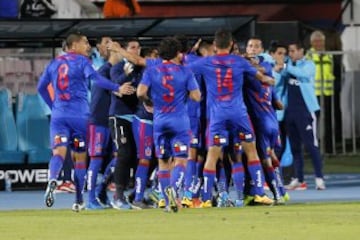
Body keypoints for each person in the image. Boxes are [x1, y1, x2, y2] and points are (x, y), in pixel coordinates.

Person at [37, 32, 123, 211]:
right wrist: (117, 87)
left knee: (58, 153)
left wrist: (53, 106)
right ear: (73, 46)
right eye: (84, 43)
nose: (88, 46)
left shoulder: (54, 63)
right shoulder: (83, 62)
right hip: (80, 118)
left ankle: (53, 178)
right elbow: (97, 79)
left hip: (59, 117)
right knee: (80, 158)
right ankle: (78, 200)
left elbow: (41, 87)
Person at [188, 29, 274, 208]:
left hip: (217, 115)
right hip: (239, 114)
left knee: (212, 156)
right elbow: (260, 77)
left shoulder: (206, 62)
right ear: (231, 45)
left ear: (214, 45)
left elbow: (183, 68)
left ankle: (205, 198)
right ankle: (258, 193)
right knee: (251, 151)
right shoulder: (239, 61)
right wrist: (269, 79)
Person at [137, 37, 201, 212]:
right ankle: (174, 190)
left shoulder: (152, 70)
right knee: (181, 160)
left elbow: (140, 92)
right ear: (177, 53)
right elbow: (196, 96)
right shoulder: (185, 72)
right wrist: (185, 95)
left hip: (159, 121)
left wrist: (149, 102)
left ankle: (166, 201)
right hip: (179, 120)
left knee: (163, 162)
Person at [243, 36, 287, 204]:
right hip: (272, 120)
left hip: (261, 122)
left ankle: (274, 193)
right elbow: (279, 104)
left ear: (261, 50)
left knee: (263, 158)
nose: (253, 49)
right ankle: (281, 190)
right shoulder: (267, 69)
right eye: (250, 46)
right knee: (271, 156)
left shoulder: (253, 69)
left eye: (256, 46)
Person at [282, 42, 326, 190]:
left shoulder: (309, 65)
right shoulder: (288, 66)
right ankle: (299, 179)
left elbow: (304, 74)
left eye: (293, 50)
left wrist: (286, 67)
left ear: (301, 51)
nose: (291, 53)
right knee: (295, 147)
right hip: (290, 112)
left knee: (311, 145)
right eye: (289, 51)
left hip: (306, 111)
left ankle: (319, 178)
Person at [86, 36, 122, 209]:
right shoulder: (104, 71)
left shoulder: (116, 70)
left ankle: (101, 190)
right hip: (98, 121)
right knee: (96, 159)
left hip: (112, 121)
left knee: (119, 157)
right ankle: (91, 199)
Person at [108, 39, 141, 210]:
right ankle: (118, 195)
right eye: (132, 47)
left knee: (137, 155)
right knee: (124, 153)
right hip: (119, 116)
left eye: (138, 47)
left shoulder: (141, 68)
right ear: (125, 50)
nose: (136, 50)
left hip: (136, 117)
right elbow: (116, 85)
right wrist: (126, 76)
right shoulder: (118, 67)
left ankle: (136, 194)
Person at [306, 30, 336, 154]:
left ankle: (329, 147)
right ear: (312, 42)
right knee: (312, 121)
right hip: (313, 94)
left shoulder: (329, 55)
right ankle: (312, 146)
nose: (319, 43)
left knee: (329, 120)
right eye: (316, 41)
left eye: (321, 41)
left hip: (328, 93)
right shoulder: (308, 55)